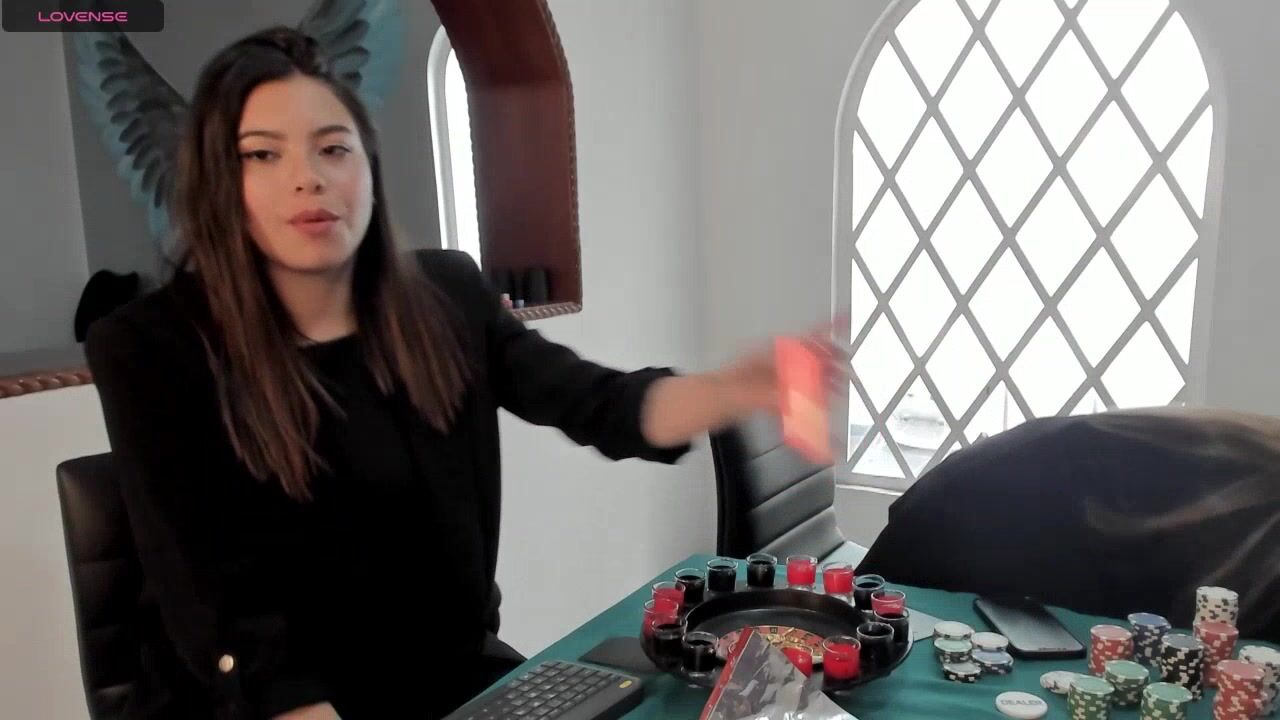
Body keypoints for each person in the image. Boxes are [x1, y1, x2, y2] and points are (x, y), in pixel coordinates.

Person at [85, 27, 845, 720]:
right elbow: (217, 608)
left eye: (333, 148)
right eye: (262, 154)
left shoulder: (446, 296)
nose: (308, 178)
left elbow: (595, 401)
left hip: (446, 677)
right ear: (220, 181)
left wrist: (731, 389)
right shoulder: (149, 347)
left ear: (369, 168)